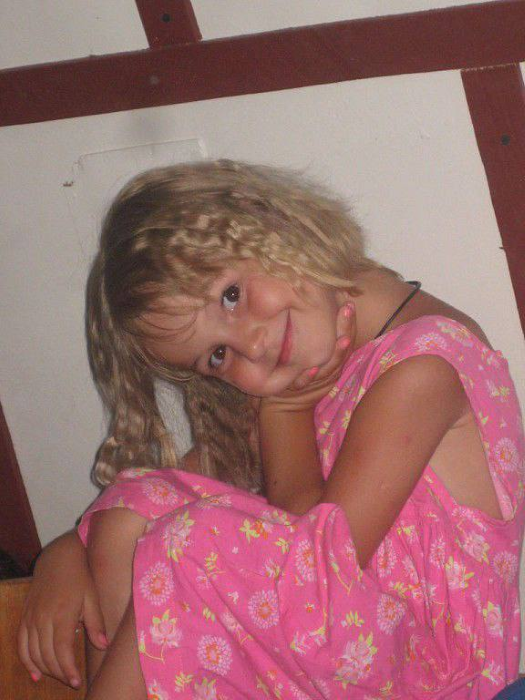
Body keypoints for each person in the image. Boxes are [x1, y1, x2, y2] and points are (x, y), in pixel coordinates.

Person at [18, 160, 524, 699]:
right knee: (130, 510)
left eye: (231, 295)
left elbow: (318, 573)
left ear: (263, 223)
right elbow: (169, 489)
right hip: (347, 652)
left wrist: (284, 413)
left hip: (434, 673)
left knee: (194, 543)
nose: (252, 345)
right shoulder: (306, 368)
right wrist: (64, 552)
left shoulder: (425, 367)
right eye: (218, 355)